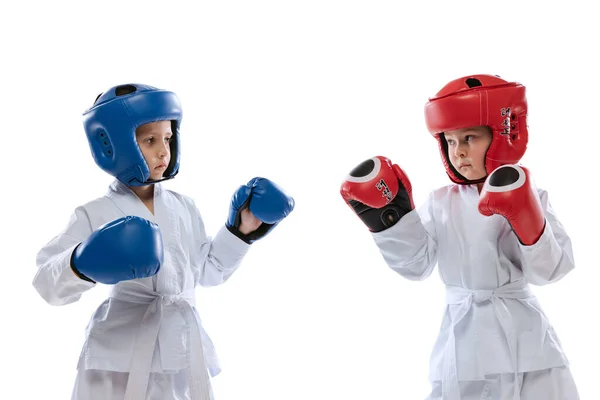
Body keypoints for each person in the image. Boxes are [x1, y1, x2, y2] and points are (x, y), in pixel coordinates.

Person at [33, 83, 295, 400]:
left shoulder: (184, 207)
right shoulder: (94, 213)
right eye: (149, 140)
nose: (163, 151)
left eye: (168, 139)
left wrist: (240, 231)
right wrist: (80, 263)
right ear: (111, 144)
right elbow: (46, 282)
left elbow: (208, 272)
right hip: (117, 358)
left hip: (180, 350)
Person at [340, 74, 579, 399]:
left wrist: (527, 219)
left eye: (469, 138)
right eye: (450, 142)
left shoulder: (531, 194)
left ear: (502, 135)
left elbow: (551, 271)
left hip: (526, 338)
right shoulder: (441, 201)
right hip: (465, 338)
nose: (459, 152)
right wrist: (391, 221)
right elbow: (416, 266)